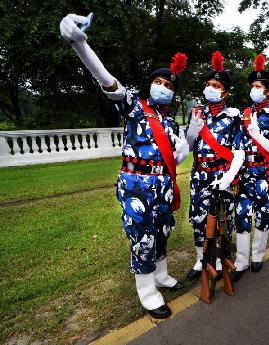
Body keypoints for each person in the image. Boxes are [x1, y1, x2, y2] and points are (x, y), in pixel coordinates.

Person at [59, 13, 189, 319]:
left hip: (163, 185)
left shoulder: (171, 123)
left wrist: (189, 139)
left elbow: (177, 157)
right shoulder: (134, 108)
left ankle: (160, 274)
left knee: (161, 231)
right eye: (157, 81)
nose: (161, 86)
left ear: (173, 92)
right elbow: (107, 79)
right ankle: (146, 291)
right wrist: (80, 44)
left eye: (167, 84)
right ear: (150, 84)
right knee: (142, 236)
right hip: (136, 184)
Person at [185, 51, 244, 280]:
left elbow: (239, 152)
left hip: (221, 174)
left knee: (221, 220)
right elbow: (188, 146)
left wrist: (228, 178)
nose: (211, 88)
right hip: (199, 173)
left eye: (216, 85)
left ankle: (220, 260)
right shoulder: (198, 114)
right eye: (208, 84)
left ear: (225, 92)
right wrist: (193, 128)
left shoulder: (233, 117)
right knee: (197, 218)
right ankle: (201, 260)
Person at [232, 54, 269, 281]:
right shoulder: (245, 114)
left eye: (258, 86)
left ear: (268, 91)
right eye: (252, 86)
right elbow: (237, 147)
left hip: (265, 173)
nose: (254, 90)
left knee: (263, 215)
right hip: (245, 173)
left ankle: (257, 256)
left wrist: (255, 132)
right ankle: (241, 261)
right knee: (242, 215)